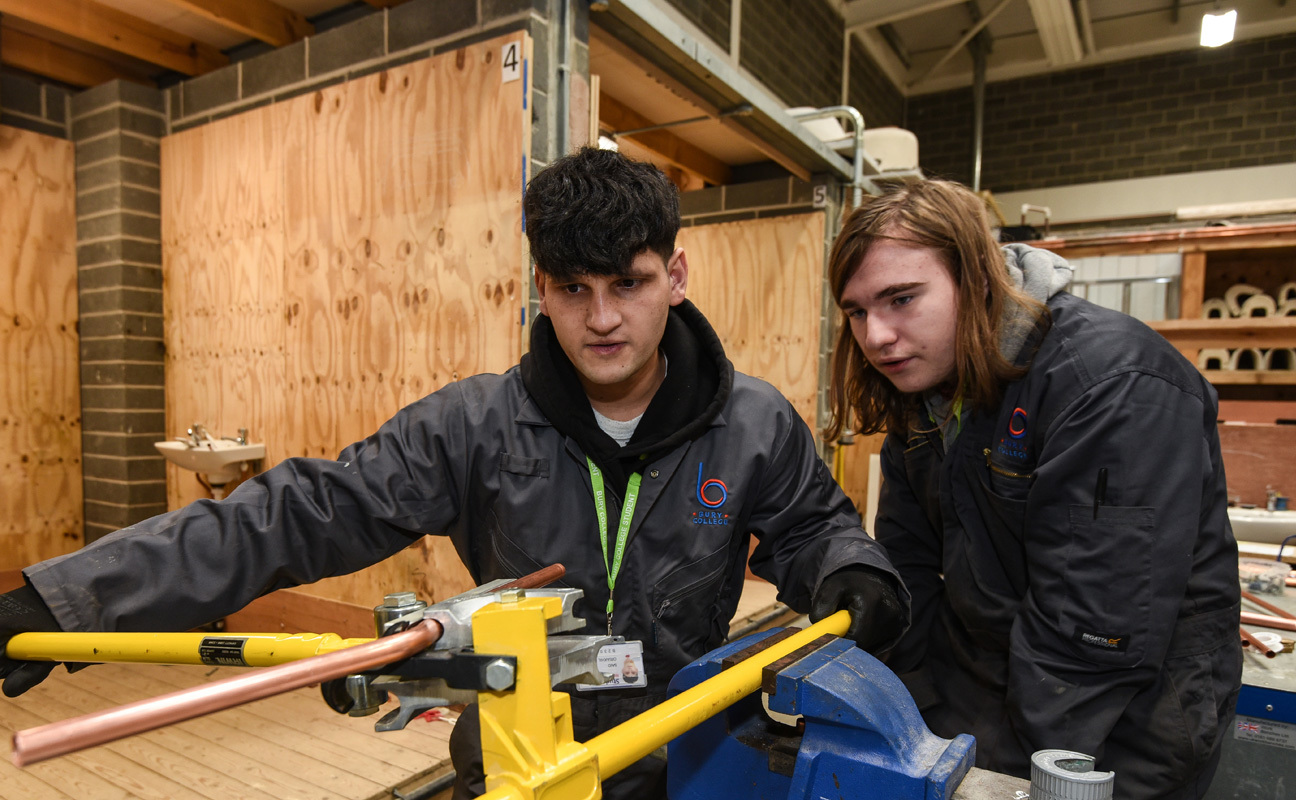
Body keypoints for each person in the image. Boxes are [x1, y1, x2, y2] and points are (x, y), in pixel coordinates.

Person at [0, 148, 907, 799]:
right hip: (512, 762)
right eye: (572, 288)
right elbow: (291, 515)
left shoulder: (753, 423)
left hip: (686, 755)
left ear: (674, 276)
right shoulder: (472, 425)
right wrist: (72, 599)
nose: (600, 319)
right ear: (539, 286)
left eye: (627, 285)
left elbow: (812, 526)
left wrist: (849, 570)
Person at [823, 178, 1241, 800]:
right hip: (990, 692)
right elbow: (909, 565)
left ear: (979, 278)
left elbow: (1097, 626)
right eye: (856, 311)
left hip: (1127, 720)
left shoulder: (1109, 383)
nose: (876, 336)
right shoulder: (926, 392)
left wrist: (1012, 777)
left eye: (902, 298)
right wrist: (913, 719)